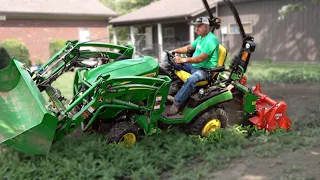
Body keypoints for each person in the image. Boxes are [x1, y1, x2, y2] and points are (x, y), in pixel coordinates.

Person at [167, 16, 220, 116]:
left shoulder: (211, 40)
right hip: (194, 65)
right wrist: (174, 51)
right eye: (195, 27)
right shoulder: (201, 38)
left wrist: (183, 59)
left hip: (205, 70)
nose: (196, 29)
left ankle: (177, 103)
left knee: (192, 79)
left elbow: (201, 58)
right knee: (171, 61)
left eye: (198, 27)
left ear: (206, 26)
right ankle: (166, 88)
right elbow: (189, 47)